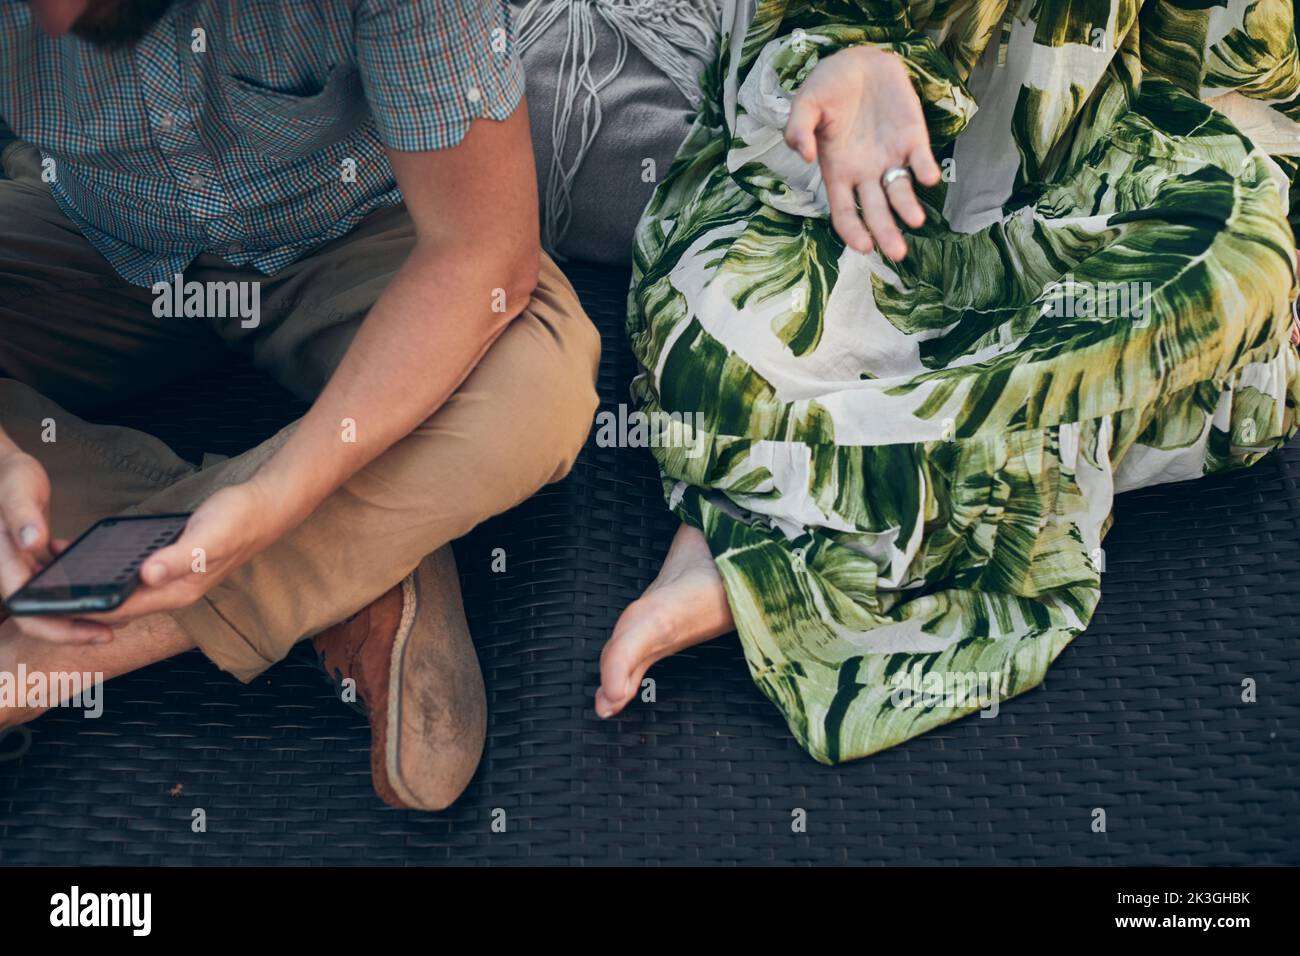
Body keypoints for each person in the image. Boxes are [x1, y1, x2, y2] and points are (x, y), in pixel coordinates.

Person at [599, 0, 1300, 763]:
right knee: (720, 333)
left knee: (1244, 276)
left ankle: (759, 516)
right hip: (862, 203)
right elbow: (774, 46)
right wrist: (844, 61)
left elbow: (1255, 70)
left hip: (1093, 206)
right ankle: (811, 517)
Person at [0, 0, 601, 808]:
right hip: (89, 235)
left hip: (359, 234)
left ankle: (37, 667)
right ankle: (362, 557)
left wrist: (277, 497)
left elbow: (481, 250)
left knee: (534, 392)